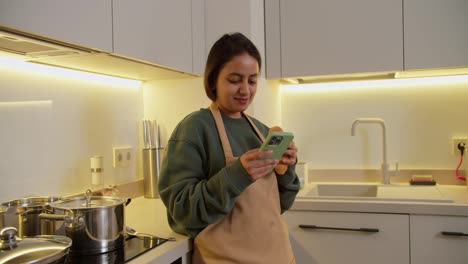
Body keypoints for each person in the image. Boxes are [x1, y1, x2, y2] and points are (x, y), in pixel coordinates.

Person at [158, 32, 300, 264]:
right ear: (213, 80)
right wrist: (238, 175)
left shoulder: (262, 131)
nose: (245, 90)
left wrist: (286, 170)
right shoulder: (194, 128)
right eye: (235, 80)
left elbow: (281, 205)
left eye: (252, 80)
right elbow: (181, 212)